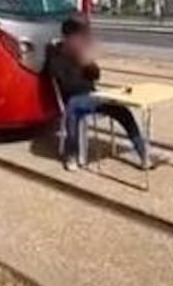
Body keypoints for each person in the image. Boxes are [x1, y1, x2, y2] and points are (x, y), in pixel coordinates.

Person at [46, 15, 151, 172]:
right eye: (77, 37)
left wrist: (89, 64)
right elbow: (68, 86)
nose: (81, 41)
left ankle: (143, 154)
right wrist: (79, 61)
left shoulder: (80, 51)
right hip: (74, 99)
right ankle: (71, 155)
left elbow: (96, 76)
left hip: (93, 96)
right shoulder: (56, 56)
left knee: (123, 111)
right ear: (67, 38)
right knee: (73, 110)